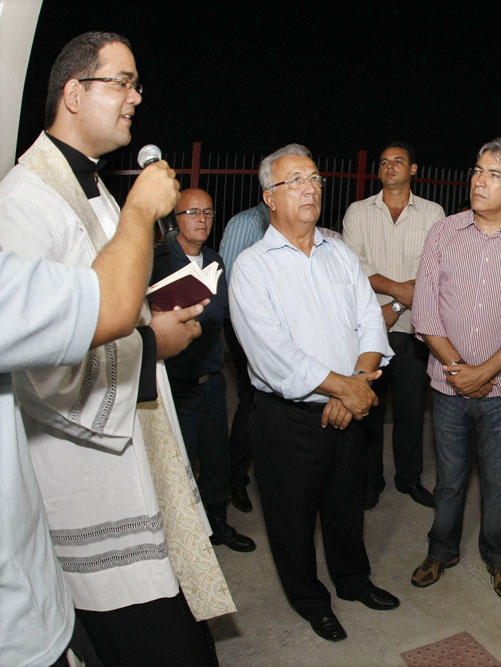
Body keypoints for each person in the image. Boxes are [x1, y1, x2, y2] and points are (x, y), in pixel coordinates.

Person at [0, 31, 232, 665]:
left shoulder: (95, 188)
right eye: (122, 82)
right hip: (88, 479)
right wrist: (151, 344)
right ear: (74, 93)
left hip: (138, 455)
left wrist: (156, 314)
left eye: (136, 84)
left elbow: (112, 297)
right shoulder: (23, 202)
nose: (137, 97)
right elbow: (39, 366)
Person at [1, 157, 178, 667]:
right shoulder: (23, 199)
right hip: (76, 467)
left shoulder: (93, 184)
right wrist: (140, 211)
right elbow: (87, 324)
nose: (132, 110)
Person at [229, 143, 398, 642]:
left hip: (349, 407)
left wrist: (354, 387)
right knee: (292, 519)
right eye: (296, 181)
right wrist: (349, 389)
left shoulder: (339, 252)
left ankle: (354, 581)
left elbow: (370, 320)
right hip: (289, 420)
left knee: (346, 506)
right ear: (270, 197)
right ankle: (310, 600)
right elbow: (274, 356)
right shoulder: (253, 267)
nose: (310, 189)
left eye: (315, 179)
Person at [409, 138, 501, 600]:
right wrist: (460, 370)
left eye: (494, 174)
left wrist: (484, 372)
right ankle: (441, 550)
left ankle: (498, 558)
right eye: (477, 170)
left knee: (498, 483)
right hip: (447, 386)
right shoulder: (443, 233)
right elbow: (424, 313)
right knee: (449, 482)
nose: (479, 181)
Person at [152, 188, 255, 552]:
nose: (202, 219)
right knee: (176, 464)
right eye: (193, 212)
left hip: (211, 380)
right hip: (175, 383)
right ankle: (179, 540)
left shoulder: (215, 261)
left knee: (216, 459)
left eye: (208, 212)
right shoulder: (159, 262)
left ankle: (218, 526)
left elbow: (225, 315)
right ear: (175, 219)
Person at [343, 141, 444, 510]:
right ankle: (371, 481)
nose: (390, 167)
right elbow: (354, 266)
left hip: (415, 330)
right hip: (369, 329)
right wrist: (400, 292)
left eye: (398, 161)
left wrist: (398, 304)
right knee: (369, 410)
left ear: (413, 169)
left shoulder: (433, 213)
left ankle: (409, 478)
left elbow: (434, 268)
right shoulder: (358, 212)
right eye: (384, 162)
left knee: (412, 411)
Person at [218, 199, 271, 514]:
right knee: (251, 399)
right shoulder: (248, 223)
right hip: (244, 325)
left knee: (267, 401)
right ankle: (234, 477)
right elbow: (225, 283)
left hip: (271, 326)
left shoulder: (280, 223)